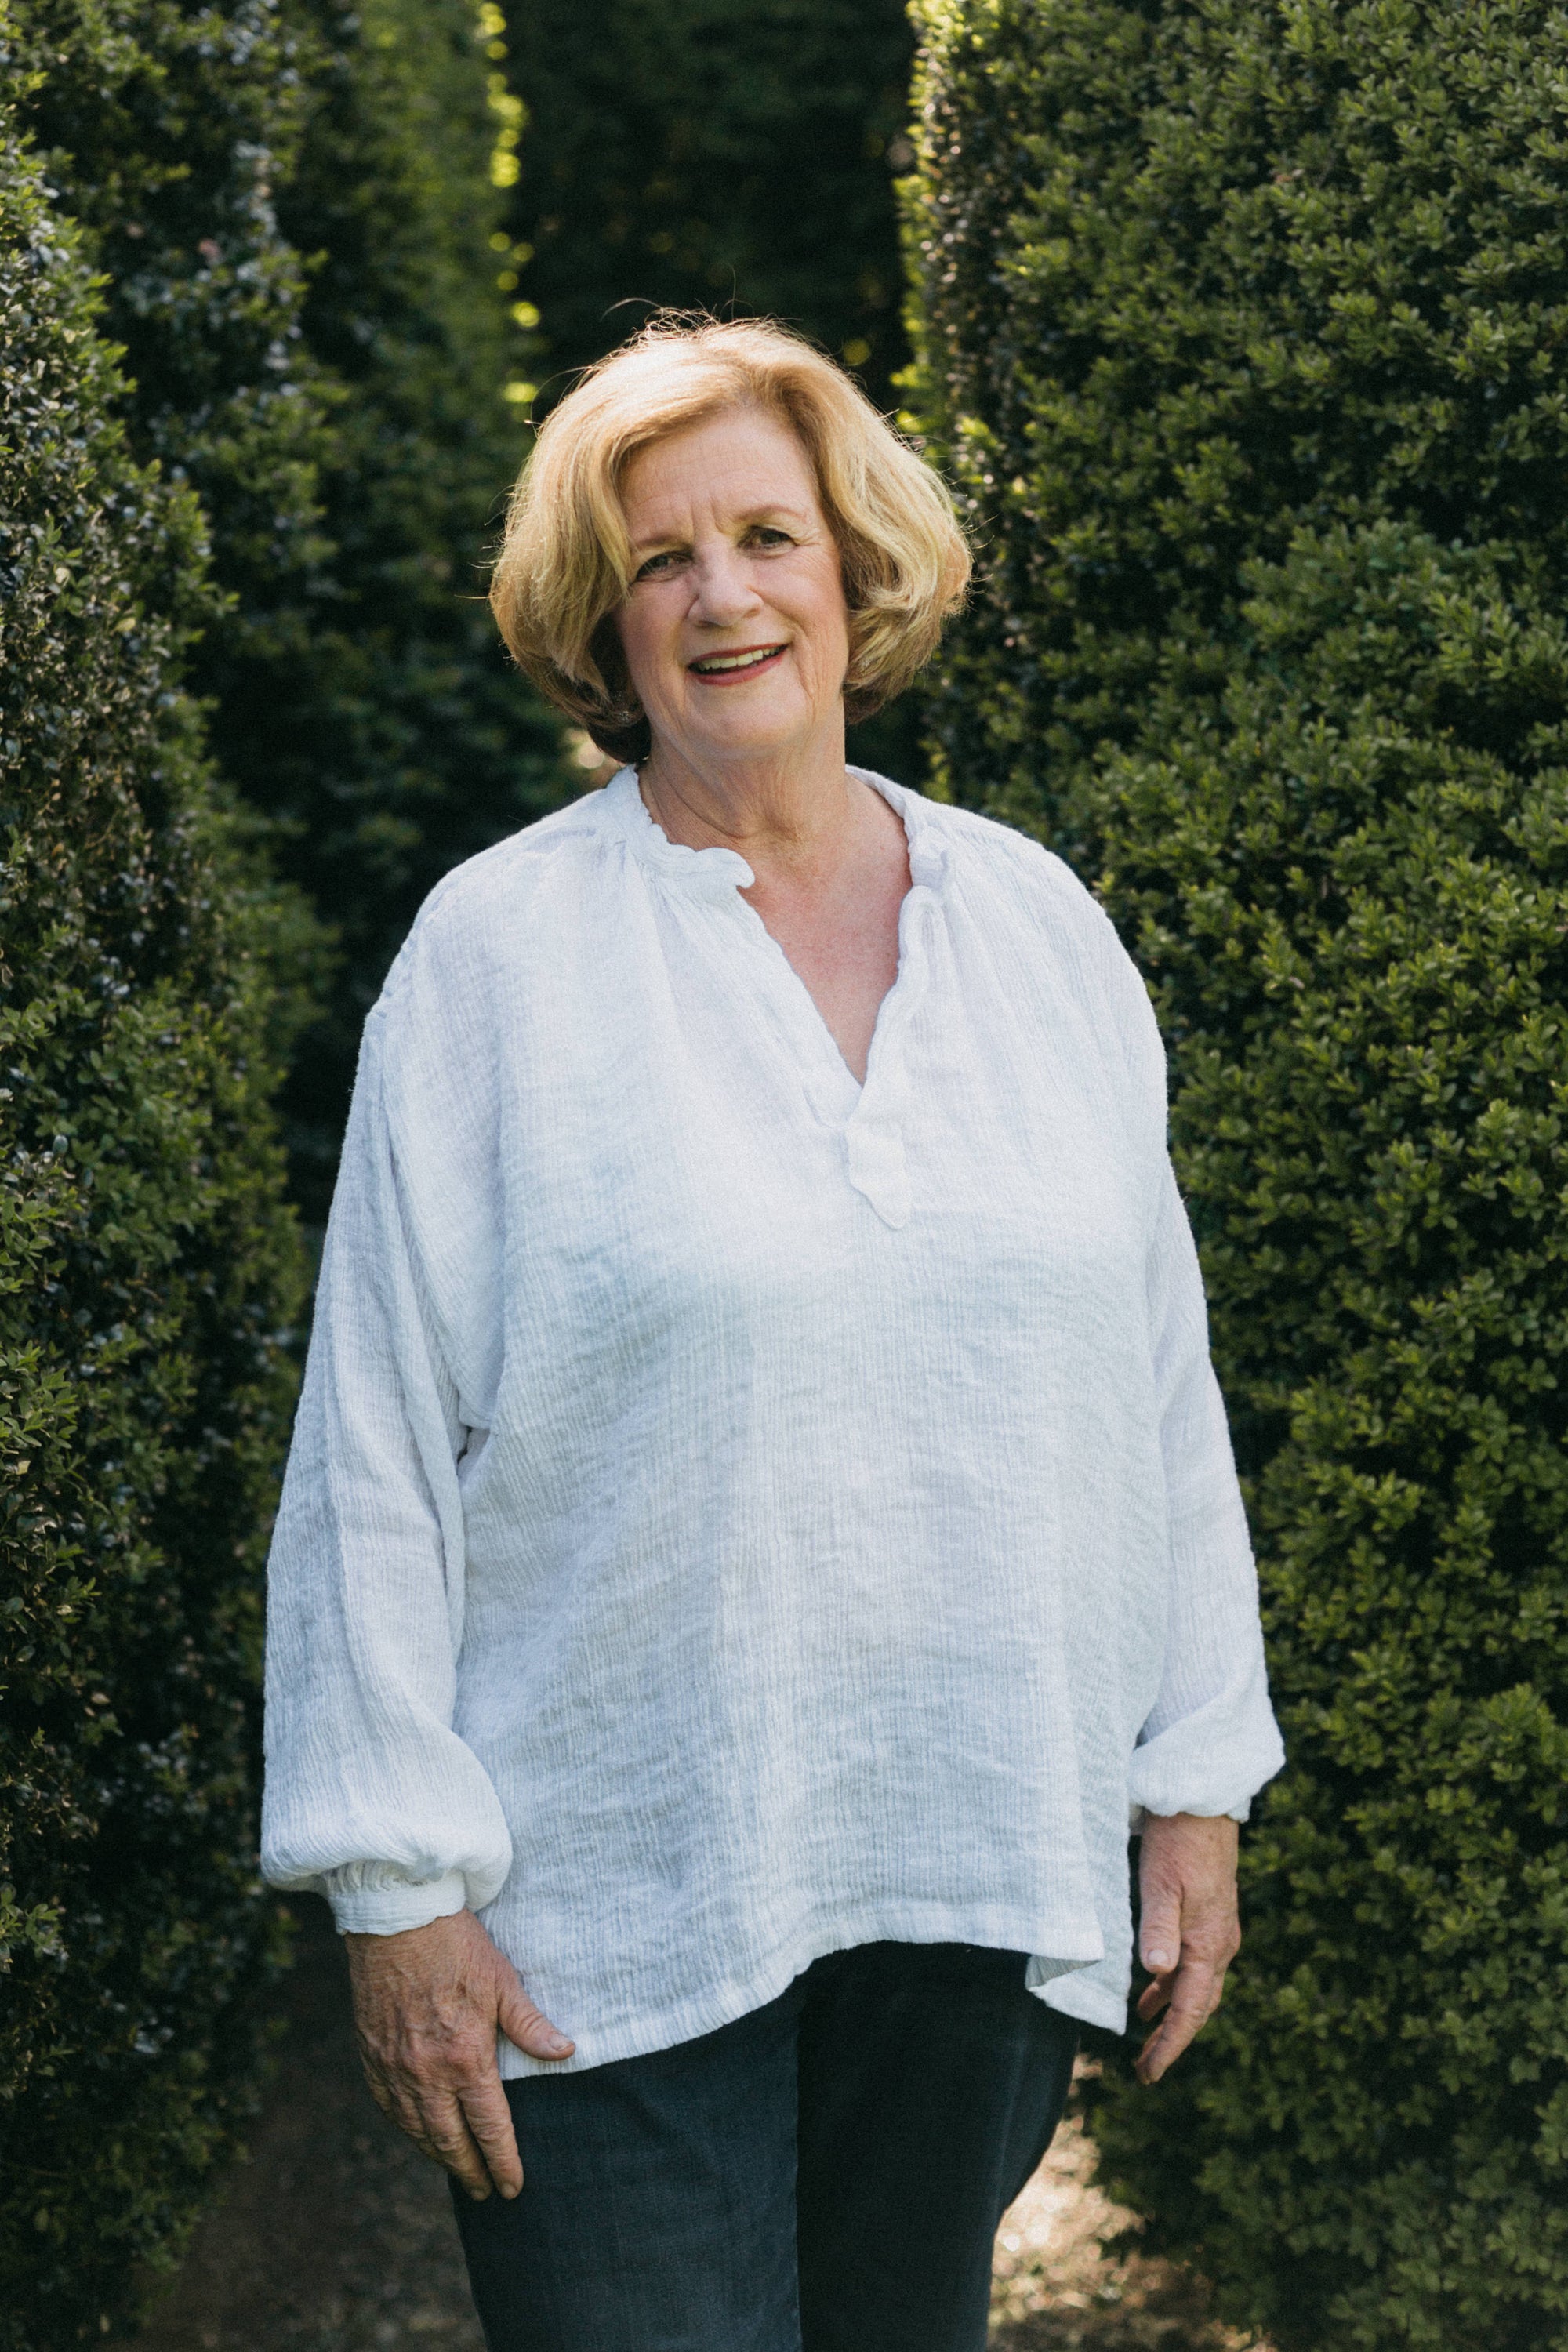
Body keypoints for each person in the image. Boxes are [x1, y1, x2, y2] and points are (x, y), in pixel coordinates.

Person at [261, 315, 1284, 2352]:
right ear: (601, 620)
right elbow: (373, 1436)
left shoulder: (1035, 929)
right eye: (661, 559)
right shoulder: (497, 963)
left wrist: (1193, 1780)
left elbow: (1151, 1386)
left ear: (853, 567)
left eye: (767, 535)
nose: (724, 594)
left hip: (971, 1846)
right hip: (614, 1900)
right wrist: (398, 1885)